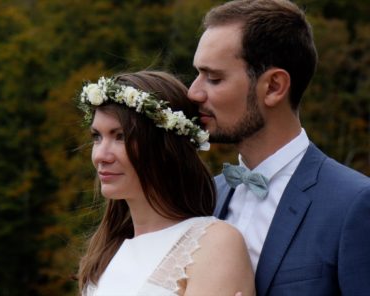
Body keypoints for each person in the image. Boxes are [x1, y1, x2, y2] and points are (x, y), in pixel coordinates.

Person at [188, 0, 370, 295]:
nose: (193, 92)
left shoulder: (354, 204)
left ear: (273, 87)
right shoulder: (204, 198)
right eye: (197, 74)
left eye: (214, 78)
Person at [76, 71, 255, 295]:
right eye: (97, 137)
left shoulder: (213, 244)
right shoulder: (105, 252)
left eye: (120, 136)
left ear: (165, 148)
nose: (100, 155)